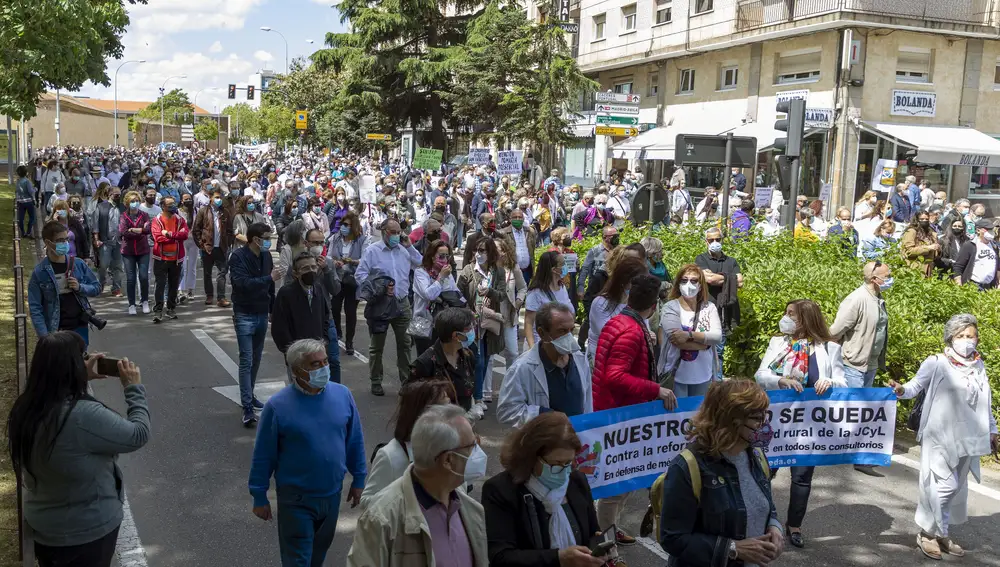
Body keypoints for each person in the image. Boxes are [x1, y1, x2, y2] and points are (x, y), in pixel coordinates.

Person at [8, 333, 147, 567]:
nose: (89, 359)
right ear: (71, 365)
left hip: (45, 527)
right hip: (87, 532)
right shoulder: (82, 415)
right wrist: (133, 389)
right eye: (83, 356)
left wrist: (81, 377)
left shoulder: (25, 408)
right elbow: (138, 434)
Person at [887, 314, 997, 560]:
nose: (967, 341)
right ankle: (927, 533)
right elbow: (915, 387)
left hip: (970, 437)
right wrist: (900, 390)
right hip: (940, 436)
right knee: (941, 486)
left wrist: (993, 429)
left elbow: (985, 402)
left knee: (956, 488)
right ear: (951, 337)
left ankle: (941, 532)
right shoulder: (936, 362)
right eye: (961, 336)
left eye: (971, 336)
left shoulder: (979, 365)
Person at [249, 338, 366, 567]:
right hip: (296, 501)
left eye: (325, 362)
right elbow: (264, 455)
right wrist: (259, 495)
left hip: (331, 496)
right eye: (315, 364)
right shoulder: (277, 407)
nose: (323, 368)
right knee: (298, 560)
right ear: (296, 370)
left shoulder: (342, 395)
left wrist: (359, 478)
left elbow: (354, 440)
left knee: (317, 557)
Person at [659, 380, 784, 567]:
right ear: (732, 420)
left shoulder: (756, 455)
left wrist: (775, 526)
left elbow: (764, 504)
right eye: (757, 418)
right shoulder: (688, 467)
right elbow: (672, 538)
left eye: (765, 416)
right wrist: (733, 549)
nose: (764, 425)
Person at [346, 404, 488, 567]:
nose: (478, 450)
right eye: (472, 445)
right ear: (448, 460)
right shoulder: (381, 519)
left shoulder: (472, 511)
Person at [592, 274, 677, 544]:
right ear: (654, 307)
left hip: (618, 412)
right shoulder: (630, 330)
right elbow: (614, 376)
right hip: (622, 416)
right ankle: (606, 546)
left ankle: (610, 529)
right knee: (616, 486)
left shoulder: (622, 322)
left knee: (625, 480)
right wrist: (656, 390)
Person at [754, 299, 846, 548]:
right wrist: (780, 381)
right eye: (786, 313)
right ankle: (761, 520)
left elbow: (844, 383)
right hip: (776, 424)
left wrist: (830, 382)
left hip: (809, 428)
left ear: (805, 319)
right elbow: (761, 375)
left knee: (802, 477)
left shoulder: (829, 349)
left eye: (791, 314)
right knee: (765, 472)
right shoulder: (779, 343)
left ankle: (794, 525)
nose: (786, 318)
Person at [483, 413, 604, 567]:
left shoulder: (576, 480)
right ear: (532, 457)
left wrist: (598, 544)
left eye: (569, 462)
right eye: (556, 463)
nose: (564, 471)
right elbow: (501, 557)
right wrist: (559, 558)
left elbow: (592, 530)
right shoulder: (501, 490)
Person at [829, 260, 891, 476]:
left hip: (870, 363)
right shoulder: (857, 299)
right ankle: (859, 457)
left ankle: (852, 451)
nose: (890, 278)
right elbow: (836, 329)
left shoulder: (878, 298)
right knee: (857, 412)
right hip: (854, 362)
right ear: (875, 279)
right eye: (886, 275)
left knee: (859, 411)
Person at [360, 379, 458, 510]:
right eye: (444, 407)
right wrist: (408, 495)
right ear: (421, 414)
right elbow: (367, 503)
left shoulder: (451, 449)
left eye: (451, 404)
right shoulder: (390, 456)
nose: (452, 413)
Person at [355, 219, 423, 396]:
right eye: (392, 232)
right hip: (380, 305)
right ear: (384, 231)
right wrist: (379, 288)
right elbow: (360, 275)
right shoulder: (372, 251)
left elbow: (422, 264)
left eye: (399, 232)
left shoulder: (404, 250)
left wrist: (409, 246)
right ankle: (376, 380)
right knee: (377, 346)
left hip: (402, 303)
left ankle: (406, 381)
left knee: (405, 344)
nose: (396, 236)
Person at [497, 302, 592, 427]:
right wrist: (544, 415)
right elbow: (506, 411)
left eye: (571, 330)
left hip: (577, 441)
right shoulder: (522, 368)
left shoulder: (580, 360)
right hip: (543, 443)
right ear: (542, 333)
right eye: (562, 331)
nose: (568, 337)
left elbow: (588, 405)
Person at [230, 223, 282, 427]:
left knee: (256, 357)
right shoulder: (238, 257)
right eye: (266, 237)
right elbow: (241, 284)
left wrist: (272, 309)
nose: (269, 241)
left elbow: (271, 286)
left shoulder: (266, 256)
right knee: (246, 359)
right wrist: (267, 278)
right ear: (255, 239)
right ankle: (247, 406)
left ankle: (249, 395)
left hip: (261, 311)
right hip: (244, 312)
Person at [28, 220, 102, 346]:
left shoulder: (78, 264)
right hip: (56, 331)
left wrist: (80, 287)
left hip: (79, 327)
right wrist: (44, 337)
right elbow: (35, 308)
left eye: (66, 239)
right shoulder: (40, 272)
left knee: (79, 363)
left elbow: (97, 287)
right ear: (48, 243)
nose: (65, 243)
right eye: (60, 240)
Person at [456, 237, 506, 418]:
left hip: (489, 323)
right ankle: (476, 399)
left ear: (491, 253)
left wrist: (490, 292)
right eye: (477, 250)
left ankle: (478, 397)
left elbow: (501, 295)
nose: (479, 254)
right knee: (478, 361)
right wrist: (467, 312)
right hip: (472, 323)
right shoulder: (469, 270)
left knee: (485, 358)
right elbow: (458, 294)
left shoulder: (498, 272)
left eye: (483, 250)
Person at [658, 264, 723, 398]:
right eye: (684, 280)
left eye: (694, 281)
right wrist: (705, 343)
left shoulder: (709, 307)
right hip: (675, 375)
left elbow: (717, 337)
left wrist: (689, 335)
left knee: (698, 415)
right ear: (678, 283)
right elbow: (676, 340)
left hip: (704, 374)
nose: (689, 284)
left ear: (701, 285)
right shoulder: (670, 307)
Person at [271, 252, 334, 375]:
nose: (311, 271)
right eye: (305, 268)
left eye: (313, 267)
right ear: (295, 273)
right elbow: (279, 328)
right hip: (298, 357)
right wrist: (291, 352)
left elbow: (325, 317)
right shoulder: (286, 293)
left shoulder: (318, 288)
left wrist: (324, 341)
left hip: (318, 354)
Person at [409, 307, 478, 413]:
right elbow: (407, 391)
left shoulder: (468, 356)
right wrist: (434, 391)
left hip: (462, 423)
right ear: (456, 335)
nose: (472, 332)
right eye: (469, 329)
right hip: (437, 425)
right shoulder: (426, 362)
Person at [695, 227, 742, 376]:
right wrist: (730, 278)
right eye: (711, 240)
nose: (715, 242)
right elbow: (708, 279)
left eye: (718, 239)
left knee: (720, 350)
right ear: (706, 242)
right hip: (706, 309)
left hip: (724, 311)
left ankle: (718, 382)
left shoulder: (731, 261)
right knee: (704, 348)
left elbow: (740, 281)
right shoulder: (701, 259)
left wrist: (719, 278)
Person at [587, 257, 647, 364]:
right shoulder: (600, 303)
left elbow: (645, 329)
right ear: (623, 281)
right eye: (636, 284)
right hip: (601, 361)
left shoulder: (638, 304)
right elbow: (610, 335)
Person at [326, 211, 366, 355]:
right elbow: (329, 255)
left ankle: (349, 342)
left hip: (353, 280)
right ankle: (338, 333)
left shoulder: (361, 240)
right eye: (342, 224)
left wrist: (354, 261)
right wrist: (334, 261)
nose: (343, 227)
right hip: (337, 278)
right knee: (335, 308)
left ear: (353, 226)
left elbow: (365, 259)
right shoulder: (335, 238)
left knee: (350, 312)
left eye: (347, 225)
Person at [412, 239, 461, 355]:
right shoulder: (421, 273)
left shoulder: (447, 274)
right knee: (426, 359)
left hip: (443, 323)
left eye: (447, 256)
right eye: (441, 256)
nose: (445, 260)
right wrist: (441, 277)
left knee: (443, 358)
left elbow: (455, 293)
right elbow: (429, 294)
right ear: (432, 257)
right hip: (424, 324)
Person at [525, 250, 576, 349]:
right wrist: (532, 349)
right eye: (563, 264)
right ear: (554, 270)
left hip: (562, 346)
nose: (566, 267)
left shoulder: (562, 287)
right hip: (542, 346)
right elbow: (528, 323)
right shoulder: (536, 292)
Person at [150, 196, 189, 323]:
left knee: (174, 285)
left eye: (174, 203)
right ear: (163, 206)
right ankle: (158, 310)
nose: (173, 206)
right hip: (161, 258)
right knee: (160, 285)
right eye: (170, 204)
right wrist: (174, 237)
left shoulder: (180, 219)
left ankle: (171, 308)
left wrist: (169, 234)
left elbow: (185, 235)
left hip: (176, 258)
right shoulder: (157, 220)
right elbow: (157, 238)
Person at [492, 237, 526, 374]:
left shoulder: (513, 268)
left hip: (508, 316)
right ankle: (486, 393)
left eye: (497, 250)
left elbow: (523, 288)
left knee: (512, 353)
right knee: (488, 357)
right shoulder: (486, 268)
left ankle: (510, 385)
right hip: (490, 316)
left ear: (504, 252)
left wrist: (518, 301)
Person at [88, 183, 124, 298]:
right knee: (103, 265)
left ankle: (116, 288)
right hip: (105, 241)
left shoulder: (122, 207)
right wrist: (96, 239)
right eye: (116, 195)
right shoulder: (101, 207)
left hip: (119, 242)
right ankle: (101, 283)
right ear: (109, 195)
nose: (118, 197)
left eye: (120, 195)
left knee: (118, 266)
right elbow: (95, 225)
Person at [952, 219, 999, 290]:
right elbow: (958, 266)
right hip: (973, 285)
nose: (991, 232)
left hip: (989, 287)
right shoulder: (970, 246)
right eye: (987, 229)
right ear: (978, 230)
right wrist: (959, 286)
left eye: (991, 229)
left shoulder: (994, 246)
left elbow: (997, 266)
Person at [500, 208, 537, 285]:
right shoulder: (503, 233)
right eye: (515, 217)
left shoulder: (529, 232)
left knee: (525, 293)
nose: (518, 219)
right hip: (512, 273)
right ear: (510, 219)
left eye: (520, 217)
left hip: (527, 271)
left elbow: (532, 250)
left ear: (523, 219)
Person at [901, 210, 941, 278]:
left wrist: (937, 249)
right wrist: (928, 248)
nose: (924, 221)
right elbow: (909, 251)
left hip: (928, 270)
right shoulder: (911, 231)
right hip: (915, 269)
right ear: (917, 220)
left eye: (926, 219)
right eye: (922, 219)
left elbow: (935, 254)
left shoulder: (930, 233)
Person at [16, 165, 37, 238]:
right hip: (28, 202)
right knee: (32, 217)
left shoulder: (18, 181)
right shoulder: (27, 181)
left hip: (20, 202)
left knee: (20, 218)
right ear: (26, 173)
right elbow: (31, 192)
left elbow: (17, 192)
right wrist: (35, 189)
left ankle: (22, 232)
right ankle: (28, 232)